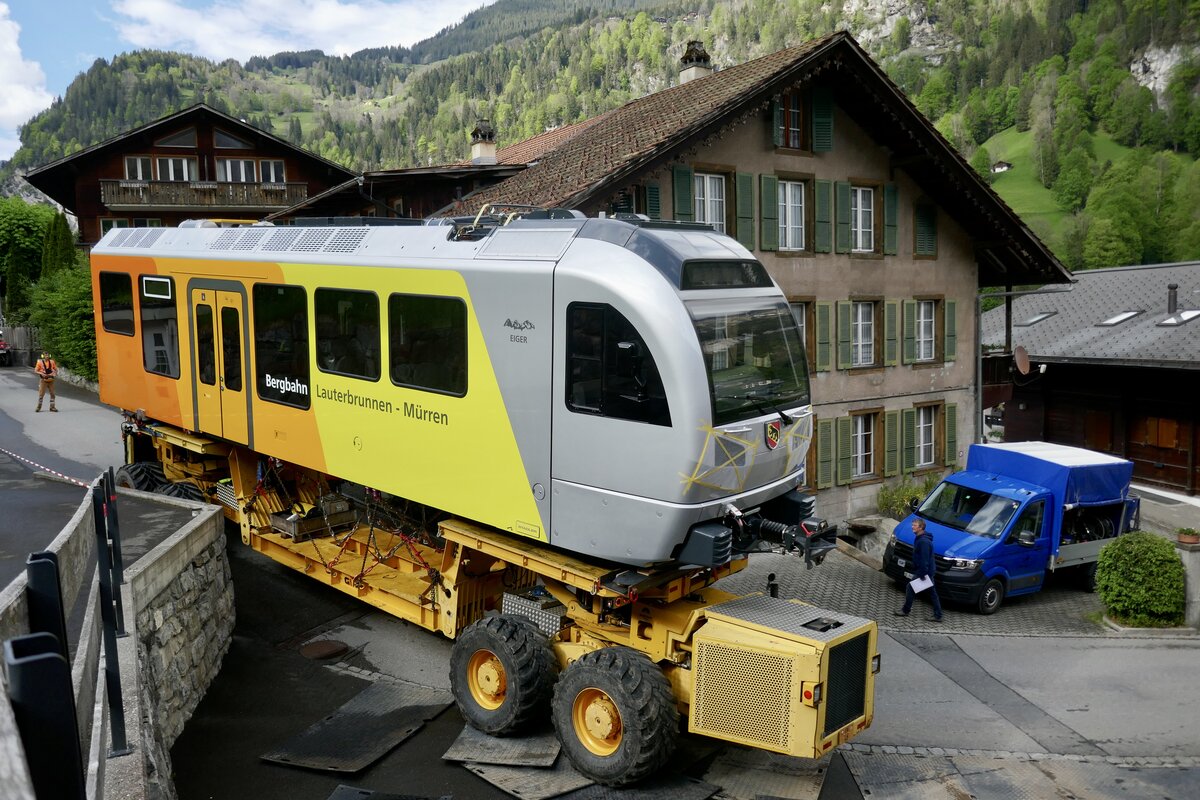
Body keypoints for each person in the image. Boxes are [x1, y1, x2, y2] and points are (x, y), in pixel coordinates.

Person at [895, 517, 943, 621]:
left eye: (914, 525)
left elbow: (924, 559)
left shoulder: (923, 542)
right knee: (932, 593)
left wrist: (922, 575)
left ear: (921, 527)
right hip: (927, 572)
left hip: (925, 573)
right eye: (912, 525)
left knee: (910, 587)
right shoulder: (920, 539)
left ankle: (905, 610)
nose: (912, 527)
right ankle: (938, 615)